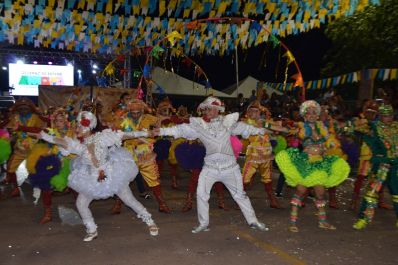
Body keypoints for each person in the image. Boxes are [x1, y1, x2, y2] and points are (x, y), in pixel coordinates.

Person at [154, 96, 270, 233]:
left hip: (230, 169)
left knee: (240, 195)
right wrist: (161, 131)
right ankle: (203, 224)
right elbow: (180, 130)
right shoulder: (199, 125)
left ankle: (253, 221)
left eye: (211, 109)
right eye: (206, 108)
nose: (208, 111)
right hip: (210, 169)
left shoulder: (228, 123)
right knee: (201, 194)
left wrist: (261, 130)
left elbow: (245, 128)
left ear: (218, 110)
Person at [38, 111, 159, 241]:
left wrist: (147, 133)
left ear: (87, 127)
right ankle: (91, 229)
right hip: (91, 178)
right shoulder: (79, 145)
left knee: (129, 200)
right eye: (76, 126)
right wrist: (43, 135)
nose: (76, 128)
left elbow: (125, 135)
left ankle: (150, 221)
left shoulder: (102, 137)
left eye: (79, 126)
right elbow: (60, 141)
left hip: (112, 175)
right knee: (81, 203)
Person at [275, 100, 350, 232]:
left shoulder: (323, 127)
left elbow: (330, 140)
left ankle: (323, 222)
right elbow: (286, 129)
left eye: (314, 113)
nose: (312, 115)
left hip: (320, 164)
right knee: (301, 191)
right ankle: (293, 222)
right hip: (305, 163)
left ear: (317, 115)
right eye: (308, 113)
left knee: (320, 194)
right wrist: (266, 124)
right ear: (304, 115)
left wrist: (331, 145)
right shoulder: (301, 127)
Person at [111, 99, 171, 213]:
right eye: (133, 112)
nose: (135, 114)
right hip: (128, 153)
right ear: (129, 110)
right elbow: (117, 134)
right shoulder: (124, 120)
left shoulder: (149, 118)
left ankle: (162, 203)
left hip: (145, 153)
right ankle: (118, 204)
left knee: (153, 178)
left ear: (142, 111)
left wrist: (156, 127)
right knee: (122, 178)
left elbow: (158, 128)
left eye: (138, 112)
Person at [353, 104, 398, 230]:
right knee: (371, 193)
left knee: (397, 192)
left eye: (389, 115)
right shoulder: (374, 127)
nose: (387, 118)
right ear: (380, 116)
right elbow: (355, 129)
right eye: (384, 116)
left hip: (396, 165)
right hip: (382, 165)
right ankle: (363, 219)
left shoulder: (396, 126)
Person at [241, 100, 288, 209]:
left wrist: (285, 129)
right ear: (248, 112)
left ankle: (273, 200)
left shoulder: (265, 122)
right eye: (251, 111)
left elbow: (277, 129)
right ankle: (241, 202)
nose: (253, 113)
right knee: (245, 179)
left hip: (266, 155)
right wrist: (266, 128)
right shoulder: (245, 122)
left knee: (268, 179)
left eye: (256, 111)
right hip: (253, 156)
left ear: (259, 112)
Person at [5, 98, 47, 197]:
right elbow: (10, 129)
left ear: (30, 109)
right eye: (21, 109)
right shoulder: (15, 117)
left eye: (25, 108)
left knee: (38, 169)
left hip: (34, 148)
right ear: (18, 109)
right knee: (10, 168)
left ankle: (42, 188)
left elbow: (40, 130)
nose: (23, 111)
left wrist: (23, 129)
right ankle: (15, 188)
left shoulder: (36, 117)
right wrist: (12, 134)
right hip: (20, 148)